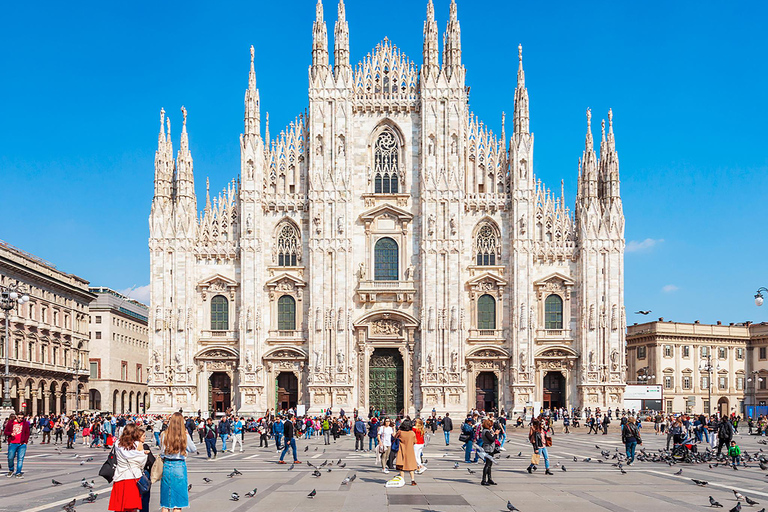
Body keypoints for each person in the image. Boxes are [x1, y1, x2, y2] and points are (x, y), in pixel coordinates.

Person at [159, 412, 197, 512]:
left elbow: (162, 452)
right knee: (178, 503)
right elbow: (193, 449)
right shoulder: (184, 436)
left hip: (167, 465)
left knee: (166, 502)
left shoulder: (164, 435)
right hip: (179, 466)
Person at [108, 424, 148, 512]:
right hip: (133, 477)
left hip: (120, 476)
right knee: (131, 507)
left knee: (120, 506)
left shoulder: (117, 443)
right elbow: (141, 463)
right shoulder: (138, 444)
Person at [4, 414, 30, 478]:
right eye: (19, 417)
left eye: (22, 418)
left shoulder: (25, 423)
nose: (20, 419)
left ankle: (18, 472)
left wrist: (25, 442)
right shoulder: (11, 423)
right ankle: (11, 470)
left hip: (22, 444)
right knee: (10, 457)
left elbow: (27, 433)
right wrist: (10, 434)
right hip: (12, 443)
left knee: (20, 459)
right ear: (16, 417)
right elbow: (5, 432)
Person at [394, 419, 418, 486]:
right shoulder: (412, 433)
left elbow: (395, 437)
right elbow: (415, 441)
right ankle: (412, 480)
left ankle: (402, 480)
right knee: (411, 466)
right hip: (410, 450)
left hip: (401, 449)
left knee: (401, 466)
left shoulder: (400, 432)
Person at [479, 418, 498, 486]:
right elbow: (491, 439)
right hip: (488, 449)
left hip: (489, 449)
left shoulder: (486, 431)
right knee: (487, 464)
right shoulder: (486, 431)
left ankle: (489, 479)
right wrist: (496, 434)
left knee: (489, 464)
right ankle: (483, 480)